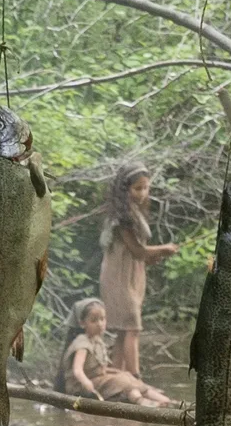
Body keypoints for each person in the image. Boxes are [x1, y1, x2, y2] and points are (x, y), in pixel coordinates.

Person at [95, 163, 169, 377]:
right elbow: (137, 250)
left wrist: (150, 258)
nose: (142, 193)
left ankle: (118, 376)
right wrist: (164, 249)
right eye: (138, 188)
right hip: (118, 278)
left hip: (133, 276)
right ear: (124, 189)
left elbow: (137, 254)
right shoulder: (121, 219)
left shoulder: (135, 212)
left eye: (146, 188)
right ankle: (135, 378)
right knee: (132, 328)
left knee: (123, 330)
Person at [59, 295, 176, 410]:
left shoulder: (97, 341)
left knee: (126, 376)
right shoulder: (82, 343)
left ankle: (166, 401)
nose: (99, 324)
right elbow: (77, 370)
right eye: (94, 320)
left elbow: (101, 369)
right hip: (82, 386)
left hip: (97, 380)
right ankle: (141, 401)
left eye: (102, 319)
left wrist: (120, 373)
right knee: (122, 381)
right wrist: (86, 383)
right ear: (82, 323)